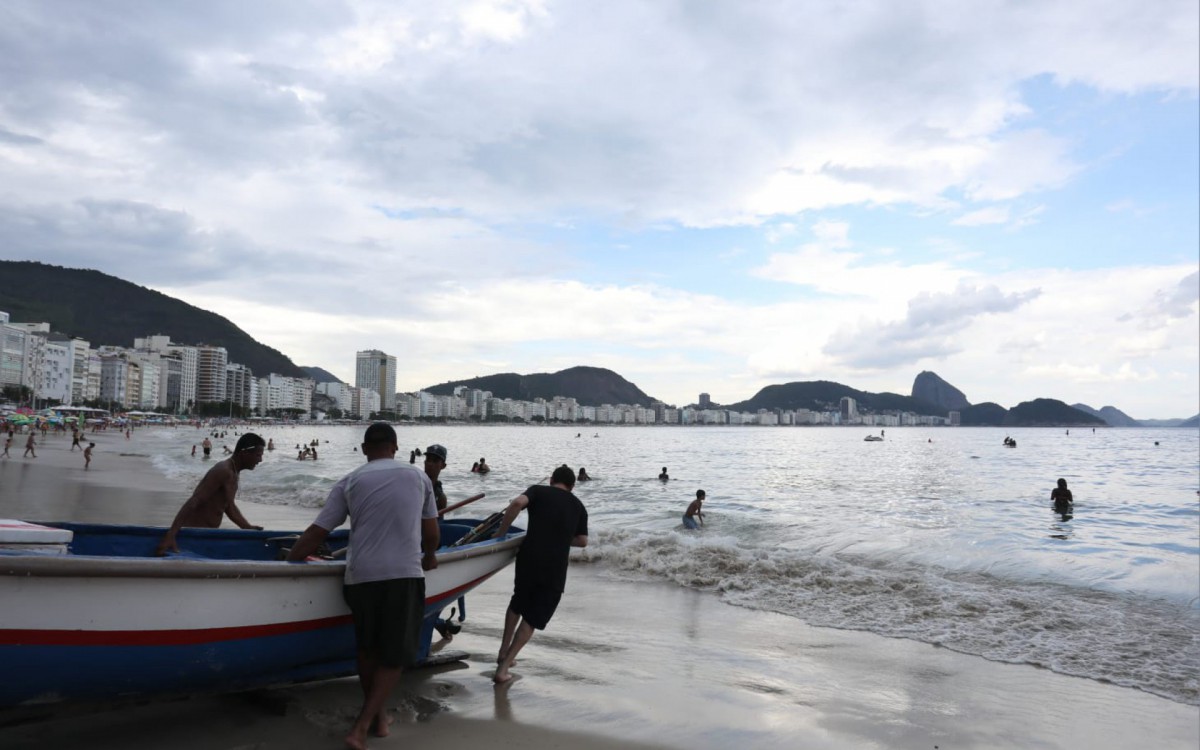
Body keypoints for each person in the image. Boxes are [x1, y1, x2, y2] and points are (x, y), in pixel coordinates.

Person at [286, 423, 439, 750]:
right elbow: (431, 535)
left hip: (361, 577)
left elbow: (319, 529)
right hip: (403, 575)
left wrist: (292, 559)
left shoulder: (351, 480)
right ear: (396, 447)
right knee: (394, 656)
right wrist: (430, 556)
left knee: (368, 650)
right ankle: (362, 726)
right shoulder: (418, 477)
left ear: (365, 448)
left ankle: (380, 717)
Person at [491, 465, 588, 684]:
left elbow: (516, 504)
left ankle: (502, 650)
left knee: (518, 602)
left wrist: (501, 532)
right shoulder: (579, 506)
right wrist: (561, 539)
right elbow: (582, 541)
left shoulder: (538, 490)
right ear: (572, 487)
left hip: (529, 557)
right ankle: (504, 668)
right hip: (554, 568)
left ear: (552, 479)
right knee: (532, 618)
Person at [154, 433, 267, 555]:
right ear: (244, 453)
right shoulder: (223, 471)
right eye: (258, 455)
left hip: (206, 535)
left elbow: (228, 506)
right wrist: (171, 534)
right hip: (192, 536)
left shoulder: (234, 472)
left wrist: (247, 527)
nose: (260, 460)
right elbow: (195, 500)